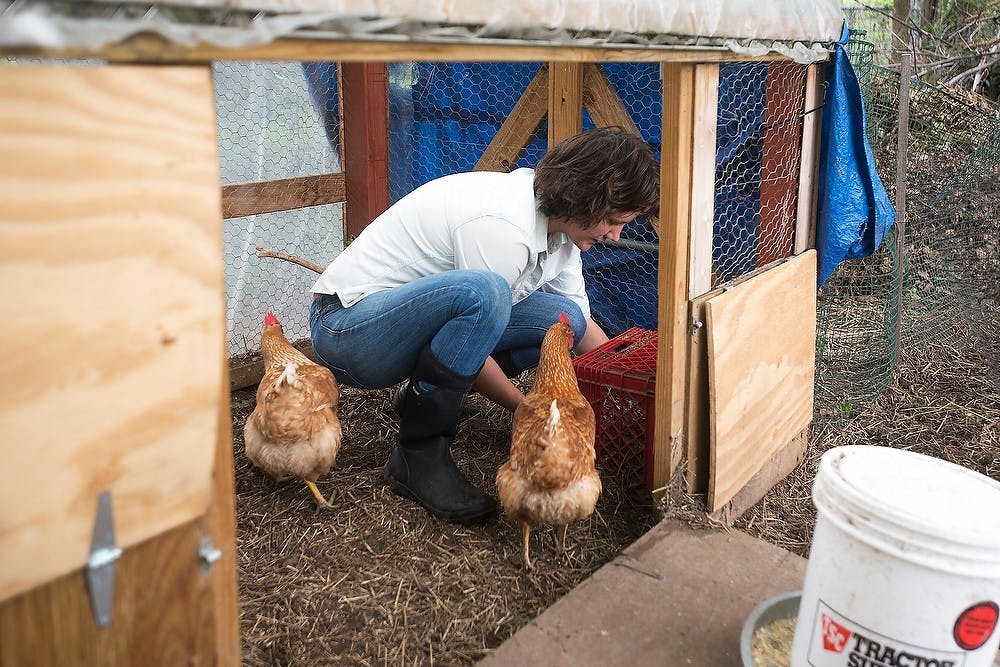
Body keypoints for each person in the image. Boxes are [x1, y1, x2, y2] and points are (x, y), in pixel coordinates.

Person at [309, 126, 660, 524]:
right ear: (586, 199)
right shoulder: (503, 227)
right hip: (348, 330)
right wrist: (530, 414)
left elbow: (580, 327)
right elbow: (476, 334)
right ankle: (418, 453)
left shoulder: (560, 232)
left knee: (564, 318)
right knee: (486, 295)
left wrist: (625, 396)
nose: (615, 235)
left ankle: (419, 395)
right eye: (612, 220)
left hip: (400, 328)